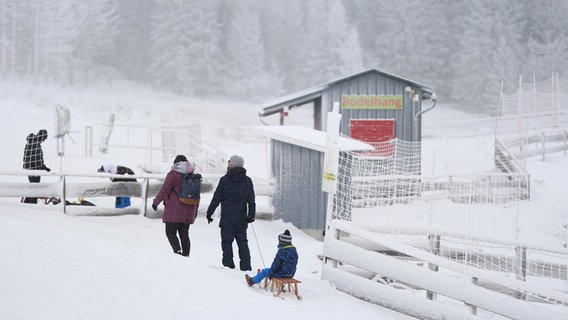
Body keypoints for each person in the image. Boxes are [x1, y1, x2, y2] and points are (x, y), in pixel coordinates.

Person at [206, 154, 256, 271]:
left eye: (229, 162)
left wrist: (209, 213)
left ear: (233, 164)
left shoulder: (225, 180)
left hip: (227, 218)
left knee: (226, 243)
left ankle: (229, 267)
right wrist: (251, 215)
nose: (228, 163)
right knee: (243, 244)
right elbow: (251, 200)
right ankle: (246, 267)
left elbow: (216, 198)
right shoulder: (247, 181)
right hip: (241, 219)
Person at [152, 155, 199, 257]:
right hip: (189, 210)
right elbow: (196, 195)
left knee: (170, 232)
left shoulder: (173, 174)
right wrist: (195, 212)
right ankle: (186, 255)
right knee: (184, 234)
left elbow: (165, 190)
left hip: (174, 210)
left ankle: (177, 253)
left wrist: (156, 202)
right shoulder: (193, 175)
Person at [22, 129, 51, 204]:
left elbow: (36, 159)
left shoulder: (34, 143)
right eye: (44, 138)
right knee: (35, 189)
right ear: (41, 136)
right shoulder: (34, 144)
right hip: (33, 170)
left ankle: (26, 205)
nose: (44, 140)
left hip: (33, 169)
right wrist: (41, 166)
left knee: (32, 188)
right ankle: (32, 207)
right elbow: (33, 159)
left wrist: (43, 166)